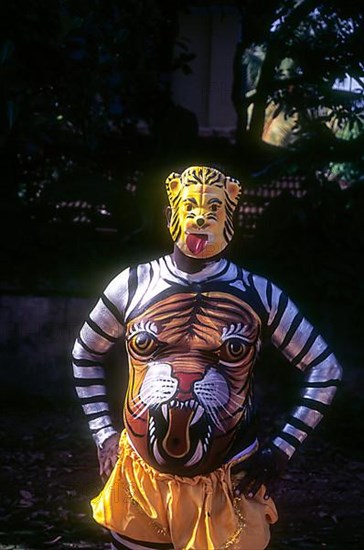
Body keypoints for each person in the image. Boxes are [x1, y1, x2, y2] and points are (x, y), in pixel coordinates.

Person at [72, 166, 342, 550]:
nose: (200, 218)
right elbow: (85, 352)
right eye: (190, 207)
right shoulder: (132, 284)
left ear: (232, 220)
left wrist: (282, 450)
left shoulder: (258, 293)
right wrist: (103, 434)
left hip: (230, 483)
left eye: (215, 209)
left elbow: (325, 368)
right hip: (140, 486)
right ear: (169, 216)